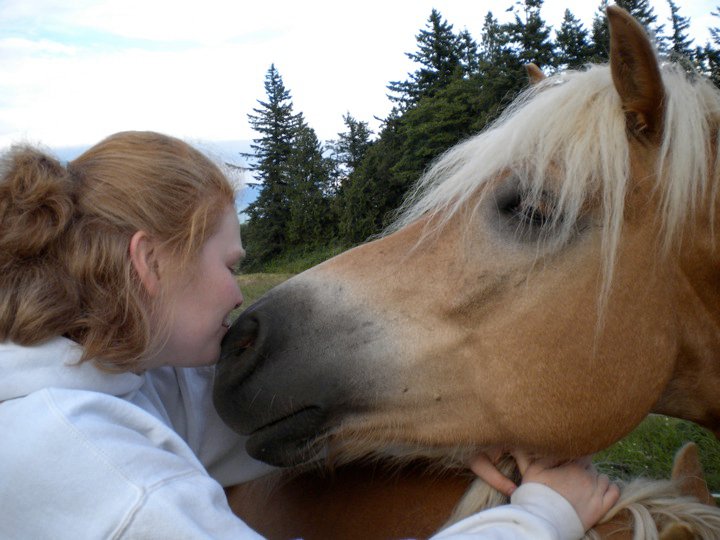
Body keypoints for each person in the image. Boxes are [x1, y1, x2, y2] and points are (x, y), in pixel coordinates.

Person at [0, 131, 619, 539]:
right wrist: (542, 515)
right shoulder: (104, 475)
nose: (237, 293)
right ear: (150, 262)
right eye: (230, 265)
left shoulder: (119, 382)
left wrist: (438, 434)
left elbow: (247, 421)